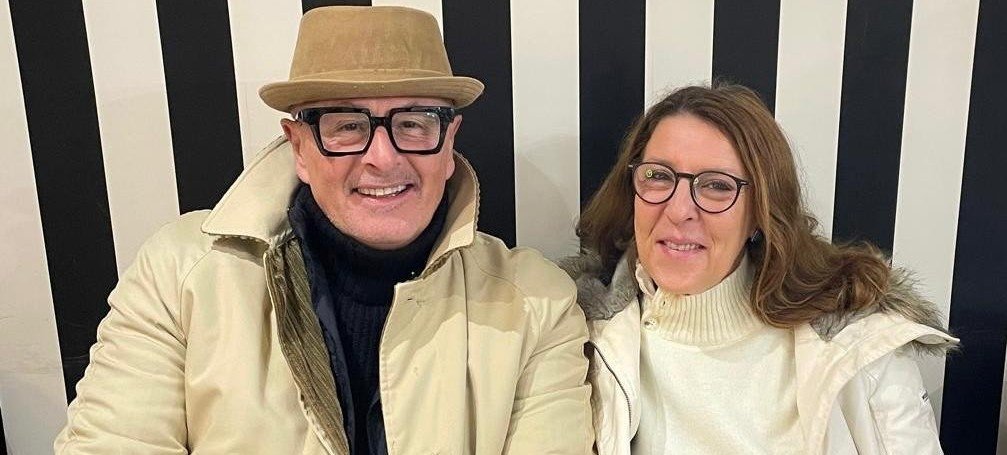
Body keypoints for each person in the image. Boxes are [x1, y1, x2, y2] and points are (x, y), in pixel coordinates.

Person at [55, 6, 592, 454]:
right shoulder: (179, 274)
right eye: (347, 126)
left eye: (413, 123)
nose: (383, 157)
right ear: (299, 147)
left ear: (448, 142)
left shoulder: (537, 303)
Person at [560, 83, 957, 454]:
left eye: (717, 185)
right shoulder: (574, 333)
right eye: (658, 176)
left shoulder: (858, 342)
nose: (679, 210)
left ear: (760, 213)